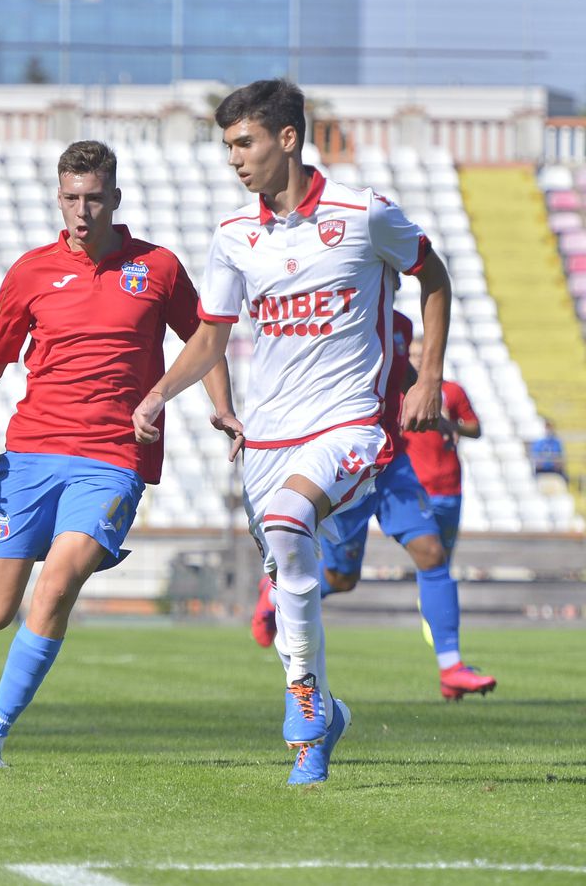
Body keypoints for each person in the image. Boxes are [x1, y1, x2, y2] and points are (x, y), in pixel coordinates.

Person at [132, 79, 452, 784]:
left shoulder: (364, 214)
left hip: (349, 423)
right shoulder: (233, 237)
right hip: (267, 437)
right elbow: (211, 340)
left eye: (243, 143)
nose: (234, 160)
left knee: (288, 521)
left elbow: (434, 277)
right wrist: (159, 391)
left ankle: (303, 712)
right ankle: (323, 714)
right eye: (227, 147)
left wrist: (427, 375)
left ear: (286, 138)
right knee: (287, 575)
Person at [0, 139, 233, 770]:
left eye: (93, 199)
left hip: (114, 457)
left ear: (115, 198)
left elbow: (203, 341)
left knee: (54, 589)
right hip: (30, 452)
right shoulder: (30, 271)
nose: (82, 212)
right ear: (60, 198)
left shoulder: (158, 267)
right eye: (71, 199)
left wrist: (220, 407)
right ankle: (5, 553)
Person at [251, 299, 497, 701]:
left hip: (393, 464)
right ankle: (272, 594)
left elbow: (408, 377)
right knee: (341, 578)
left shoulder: (398, 324)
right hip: (346, 462)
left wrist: (432, 406)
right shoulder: (340, 320)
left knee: (432, 554)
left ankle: (451, 667)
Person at [401, 335, 481, 561]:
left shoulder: (452, 391)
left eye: (421, 355)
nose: (417, 361)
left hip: (448, 488)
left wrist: (448, 424)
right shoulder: (400, 393)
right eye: (412, 355)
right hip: (415, 488)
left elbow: (475, 429)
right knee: (427, 557)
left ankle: (431, 597)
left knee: (444, 558)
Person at [530, 417, 567, 483]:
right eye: (547, 427)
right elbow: (536, 460)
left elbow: (560, 458)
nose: (549, 429)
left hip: (555, 471)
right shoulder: (539, 442)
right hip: (542, 471)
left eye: (550, 427)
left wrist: (556, 463)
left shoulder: (557, 442)